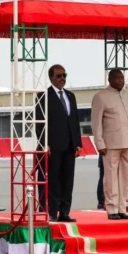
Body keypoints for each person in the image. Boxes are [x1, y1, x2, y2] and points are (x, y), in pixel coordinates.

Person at [91, 69, 128, 220]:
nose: (121, 80)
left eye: (122, 78)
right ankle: (112, 208)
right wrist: (99, 143)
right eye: (117, 78)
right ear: (110, 79)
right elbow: (96, 122)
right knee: (111, 177)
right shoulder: (100, 97)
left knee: (125, 176)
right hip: (110, 144)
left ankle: (121, 208)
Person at [35, 64, 82, 222]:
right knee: (53, 179)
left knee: (68, 180)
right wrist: (43, 143)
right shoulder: (44, 96)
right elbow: (39, 123)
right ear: (51, 78)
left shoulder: (70, 96)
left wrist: (78, 143)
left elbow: (74, 121)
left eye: (64, 75)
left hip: (69, 145)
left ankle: (65, 211)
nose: (62, 79)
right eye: (59, 76)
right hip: (52, 146)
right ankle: (53, 211)